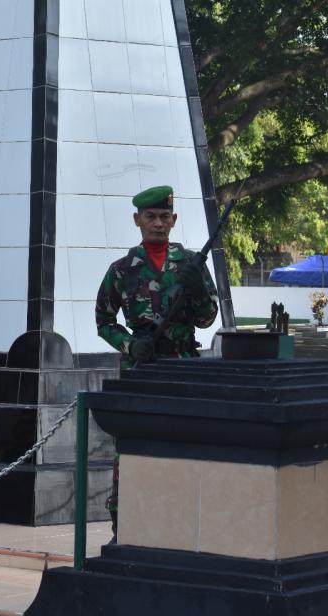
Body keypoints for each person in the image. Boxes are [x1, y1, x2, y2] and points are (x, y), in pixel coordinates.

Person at [94, 184, 219, 539]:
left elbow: (208, 318)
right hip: (142, 372)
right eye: (150, 217)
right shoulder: (122, 270)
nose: (158, 223)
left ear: (174, 219)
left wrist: (198, 290)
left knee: (184, 445)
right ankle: (124, 527)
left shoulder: (191, 264)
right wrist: (131, 346)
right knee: (131, 449)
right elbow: (104, 321)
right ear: (137, 220)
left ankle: (183, 527)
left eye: (165, 217)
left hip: (183, 369)